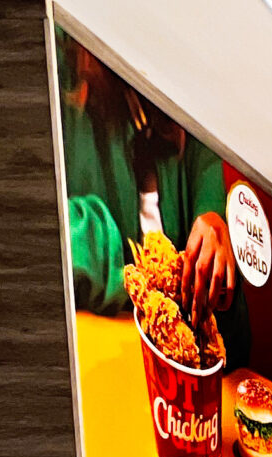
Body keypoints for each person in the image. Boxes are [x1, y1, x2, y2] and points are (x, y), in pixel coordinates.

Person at [60, 39, 248, 361]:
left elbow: (228, 339)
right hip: (101, 359)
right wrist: (111, 253)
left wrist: (219, 242)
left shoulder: (191, 104)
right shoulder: (66, 66)